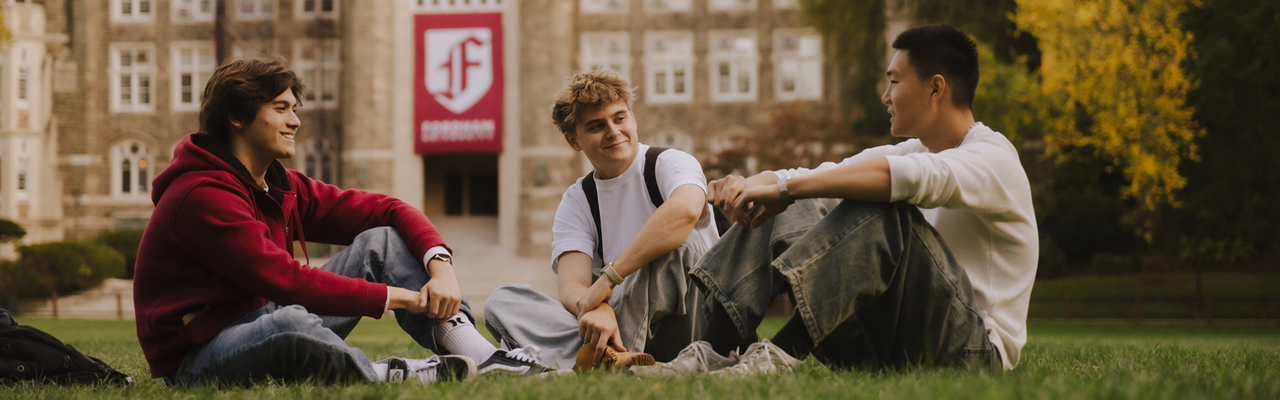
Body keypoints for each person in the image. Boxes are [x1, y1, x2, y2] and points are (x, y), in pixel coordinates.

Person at [639, 24, 1038, 376]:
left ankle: (783, 353)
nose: (885, 96)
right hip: (885, 347)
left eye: (895, 82)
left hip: (970, 351)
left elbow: (903, 179)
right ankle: (713, 349)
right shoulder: (914, 151)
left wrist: (786, 189)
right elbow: (819, 176)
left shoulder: (993, 158)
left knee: (881, 206)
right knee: (797, 199)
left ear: (936, 87)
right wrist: (749, 185)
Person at [132, 57, 549, 387]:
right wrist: (402, 298)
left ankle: (483, 356)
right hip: (200, 355)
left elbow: (388, 209)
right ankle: (389, 373)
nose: (296, 121)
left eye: (295, 109)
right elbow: (285, 280)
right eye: (281, 109)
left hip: (263, 318)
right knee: (291, 322)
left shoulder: (277, 185)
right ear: (237, 118)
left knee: (382, 241)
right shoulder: (201, 194)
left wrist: (441, 269)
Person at [483, 69, 720, 369]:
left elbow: (685, 211)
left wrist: (608, 280)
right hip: (621, 321)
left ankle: (600, 359)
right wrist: (596, 309)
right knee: (505, 300)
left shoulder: (668, 163)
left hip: (693, 323)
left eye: (619, 118)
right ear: (574, 141)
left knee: (679, 244)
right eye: (597, 126)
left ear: (633, 119)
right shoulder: (578, 199)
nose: (612, 131)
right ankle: (618, 360)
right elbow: (572, 284)